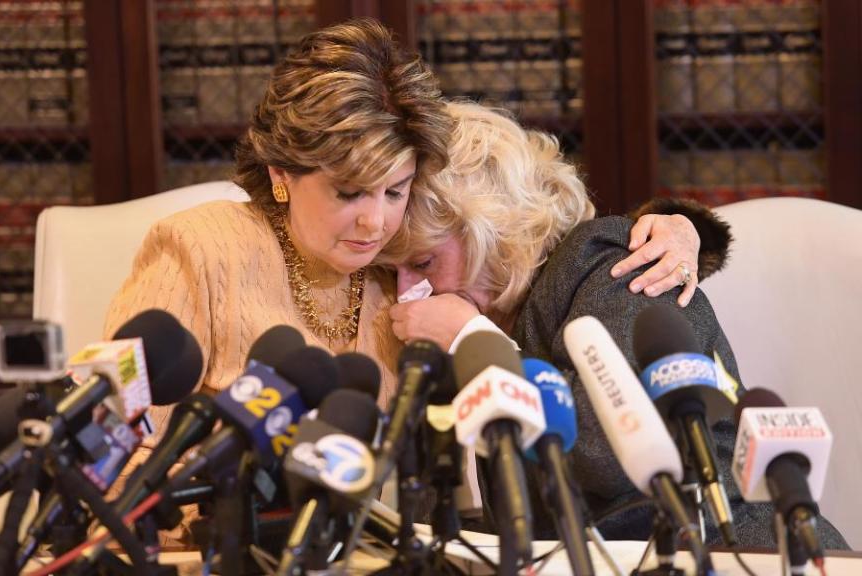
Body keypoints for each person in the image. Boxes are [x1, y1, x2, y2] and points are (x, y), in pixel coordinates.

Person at [104, 20, 708, 543]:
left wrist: (680, 225)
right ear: (282, 174)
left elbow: (543, 253)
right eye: (348, 192)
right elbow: (111, 440)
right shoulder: (199, 246)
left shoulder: (399, 280)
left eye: (395, 191)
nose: (376, 222)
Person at [380, 101, 848, 548]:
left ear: (489, 228)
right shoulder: (513, 318)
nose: (409, 291)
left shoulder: (610, 260)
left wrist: (471, 340)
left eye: (423, 261)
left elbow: (610, 452)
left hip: (742, 554)